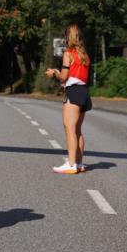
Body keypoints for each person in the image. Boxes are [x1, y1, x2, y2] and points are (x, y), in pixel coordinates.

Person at [46, 23, 92, 174]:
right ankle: (79, 163)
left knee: (69, 129)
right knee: (78, 130)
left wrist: (54, 73)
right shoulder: (84, 55)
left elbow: (64, 77)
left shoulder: (69, 53)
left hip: (73, 92)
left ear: (68, 37)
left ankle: (70, 164)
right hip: (84, 92)